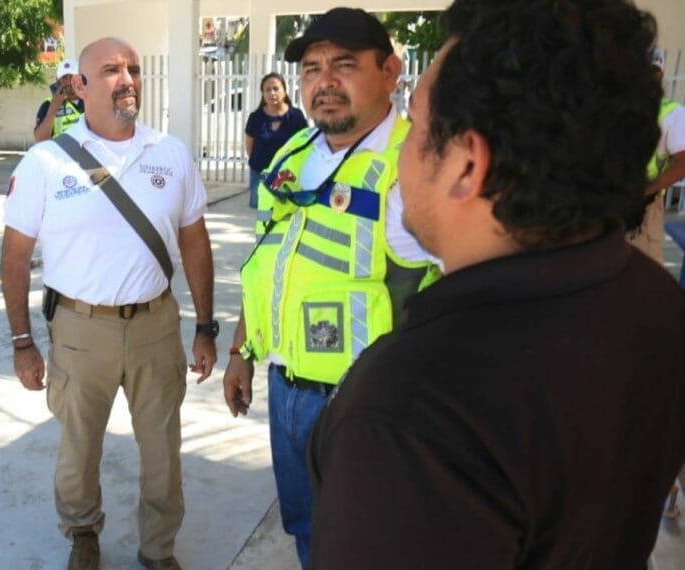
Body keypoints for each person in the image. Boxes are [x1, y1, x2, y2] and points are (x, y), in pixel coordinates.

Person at [308, 1, 685, 568]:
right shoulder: (653, 297)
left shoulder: (410, 411)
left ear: (466, 166)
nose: (401, 150)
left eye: (415, 124)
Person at [220, 8, 439, 567]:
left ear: (389, 72)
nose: (325, 82)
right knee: (308, 533)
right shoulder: (294, 153)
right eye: (312, 69)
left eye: (344, 64)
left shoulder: (419, 166)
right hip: (286, 392)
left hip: (372, 407)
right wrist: (243, 350)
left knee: (373, 546)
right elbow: (268, 257)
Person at [1, 37, 217, 570]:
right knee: (78, 451)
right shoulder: (46, 162)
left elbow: (194, 241)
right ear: (80, 86)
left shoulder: (170, 152)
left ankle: (159, 548)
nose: (127, 80)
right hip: (80, 330)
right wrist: (22, 341)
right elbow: (14, 257)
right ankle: (82, 534)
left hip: (156, 326)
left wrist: (205, 326)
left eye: (134, 69)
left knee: (163, 452)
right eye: (111, 70)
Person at [629, 48, 685, 266]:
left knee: (642, 265)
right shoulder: (619, 109)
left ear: (659, 74)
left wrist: (645, 192)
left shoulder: (673, 113)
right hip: (611, 201)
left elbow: (682, 163)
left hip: (645, 205)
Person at [244, 73, 308, 208]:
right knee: (262, 210)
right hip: (260, 173)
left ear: (284, 91)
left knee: (287, 209)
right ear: (263, 93)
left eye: (276, 89)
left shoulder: (296, 116)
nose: (272, 93)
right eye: (267, 90)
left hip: (288, 175)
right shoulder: (255, 117)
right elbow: (250, 149)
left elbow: (304, 145)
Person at [34, 59, 86, 142]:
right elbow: (40, 139)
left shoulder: (91, 99)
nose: (69, 81)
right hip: (59, 149)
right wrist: (53, 107)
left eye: (72, 76)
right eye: (64, 77)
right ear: (58, 81)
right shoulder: (48, 104)